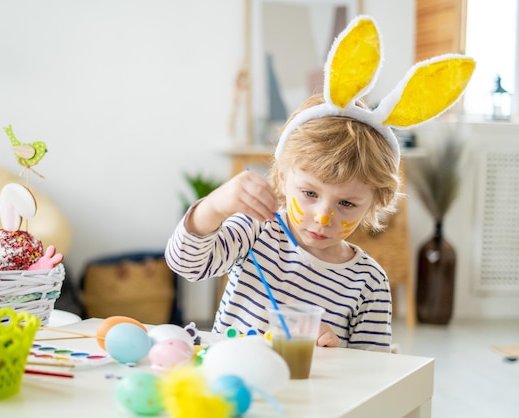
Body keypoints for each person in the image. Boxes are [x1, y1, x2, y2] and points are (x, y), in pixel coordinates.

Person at [165, 15, 475, 352]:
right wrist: (213, 207)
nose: (324, 217)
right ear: (283, 177)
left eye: (347, 203)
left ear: (376, 202)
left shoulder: (368, 283)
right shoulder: (255, 232)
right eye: (310, 193)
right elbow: (185, 264)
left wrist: (336, 350)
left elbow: (370, 372)